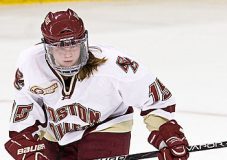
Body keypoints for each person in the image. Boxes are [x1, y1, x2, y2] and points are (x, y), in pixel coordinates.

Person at [4, 9, 189, 160]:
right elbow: (26, 114)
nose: (68, 54)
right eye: (61, 47)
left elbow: (155, 100)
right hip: (57, 133)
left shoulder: (114, 65)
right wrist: (29, 149)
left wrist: (168, 135)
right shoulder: (31, 64)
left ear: (84, 42)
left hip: (107, 126)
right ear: (47, 47)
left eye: (74, 45)